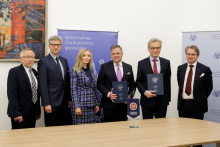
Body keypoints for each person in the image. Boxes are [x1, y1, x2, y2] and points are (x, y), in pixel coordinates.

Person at [177, 45, 213, 147]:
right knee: (184, 134)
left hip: (197, 106)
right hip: (183, 105)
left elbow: (209, 88)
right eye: (188, 54)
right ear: (186, 55)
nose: (190, 56)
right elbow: (180, 85)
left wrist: (199, 98)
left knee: (197, 135)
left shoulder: (205, 69)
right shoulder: (180, 68)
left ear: (197, 56)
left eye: (193, 54)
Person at [38, 35, 71, 126]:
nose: (55, 47)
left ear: (61, 46)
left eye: (58, 45)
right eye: (53, 45)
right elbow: (42, 84)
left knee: (62, 128)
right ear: (49, 46)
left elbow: (66, 81)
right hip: (51, 103)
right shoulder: (43, 62)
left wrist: (68, 98)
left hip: (64, 102)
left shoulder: (64, 61)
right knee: (51, 129)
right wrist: (46, 103)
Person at [97, 45, 136, 122]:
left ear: (122, 54)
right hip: (109, 105)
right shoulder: (104, 67)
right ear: (111, 55)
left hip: (124, 105)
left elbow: (132, 84)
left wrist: (130, 95)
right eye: (113, 53)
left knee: (123, 128)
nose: (116, 55)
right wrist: (108, 94)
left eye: (118, 53)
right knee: (109, 129)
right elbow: (99, 83)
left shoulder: (129, 67)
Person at [136, 38, 171, 119]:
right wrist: (144, 92)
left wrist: (167, 99)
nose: (155, 50)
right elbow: (138, 81)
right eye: (152, 48)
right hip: (147, 100)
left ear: (160, 49)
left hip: (162, 101)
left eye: (157, 48)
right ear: (148, 49)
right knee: (147, 127)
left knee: (161, 126)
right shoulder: (141, 63)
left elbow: (168, 81)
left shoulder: (166, 62)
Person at [7, 48, 41, 129]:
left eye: (32, 57)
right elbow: (12, 94)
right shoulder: (14, 72)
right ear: (21, 59)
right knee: (19, 138)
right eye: (27, 57)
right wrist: (17, 113)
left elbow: (36, 92)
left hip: (32, 111)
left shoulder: (34, 72)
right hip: (20, 113)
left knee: (30, 136)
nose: (30, 59)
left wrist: (38, 110)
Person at [70, 49, 101, 124]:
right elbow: (73, 90)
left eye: (88, 56)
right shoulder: (75, 70)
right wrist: (77, 106)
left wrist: (96, 104)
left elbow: (94, 89)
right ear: (80, 57)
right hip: (81, 106)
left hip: (91, 105)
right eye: (84, 55)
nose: (86, 57)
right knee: (80, 131)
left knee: (90, 131)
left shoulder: (91, 71)